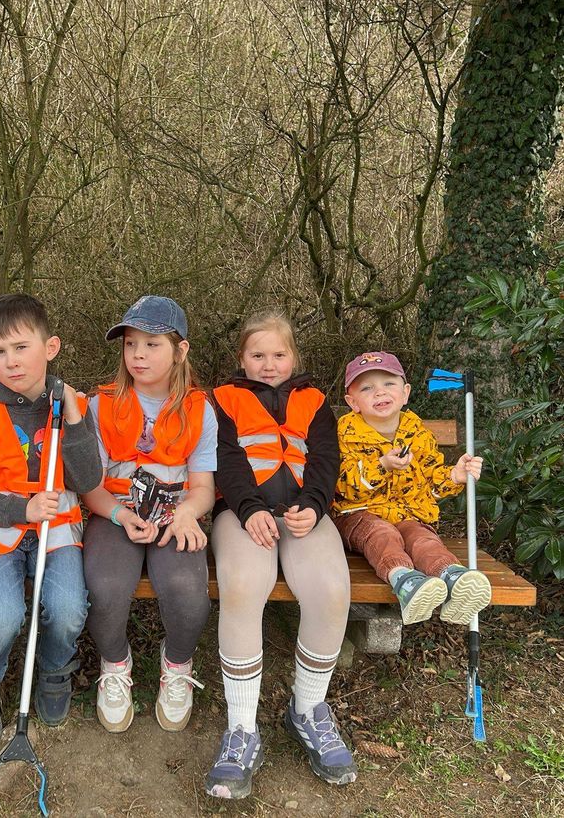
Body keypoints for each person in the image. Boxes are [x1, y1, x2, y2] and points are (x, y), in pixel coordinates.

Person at [205, 309, 356, 799]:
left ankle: (308, 710)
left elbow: (326, 460)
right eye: (258, 355)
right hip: (243, 513)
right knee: (243, 585)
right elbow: (225, 461)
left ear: (293, 356)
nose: (268, 364)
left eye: (279, 354)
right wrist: (248, 509)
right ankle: (242, 729)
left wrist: (313, 506)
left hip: (303, 514)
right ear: (241, 358)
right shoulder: (223, 400)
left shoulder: (315, 402)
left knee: (331, 589)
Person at [0, 294, 102, 749]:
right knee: (3, 616)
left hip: (57, 525)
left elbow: (88, 480)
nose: (11, 361)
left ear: (50, 347)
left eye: (21, 347)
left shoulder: (72, 406)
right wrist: (22, 509)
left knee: (69, 609)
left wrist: (73, 418)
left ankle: (54, 670)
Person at [81, 295, 217, 735]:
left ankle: (176, 665)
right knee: (103, 588)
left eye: (152, 344)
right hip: (115, 513)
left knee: (188, 592)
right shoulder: (101, 405)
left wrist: (187, 514)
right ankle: (115, 663)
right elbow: (91, 487)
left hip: (175, 513)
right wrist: (119, 515)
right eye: (130, 344)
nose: (138, 354)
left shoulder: (199, 409)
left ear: (180, 350)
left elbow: (203, 488)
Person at [333, 351, 490, 625]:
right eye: (367, 388)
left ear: (405, 393)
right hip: (359, 515)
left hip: (408, 514)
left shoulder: (418, 434)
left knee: (422, 539)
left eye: (388, 383)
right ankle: (404, 580)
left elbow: (430, 482)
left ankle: (452, 577)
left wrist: (454, 476)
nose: (379, 392)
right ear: (352, 402)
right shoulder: (345, 435)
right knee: (382, 534)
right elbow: (343, 486)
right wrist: (382, 465)